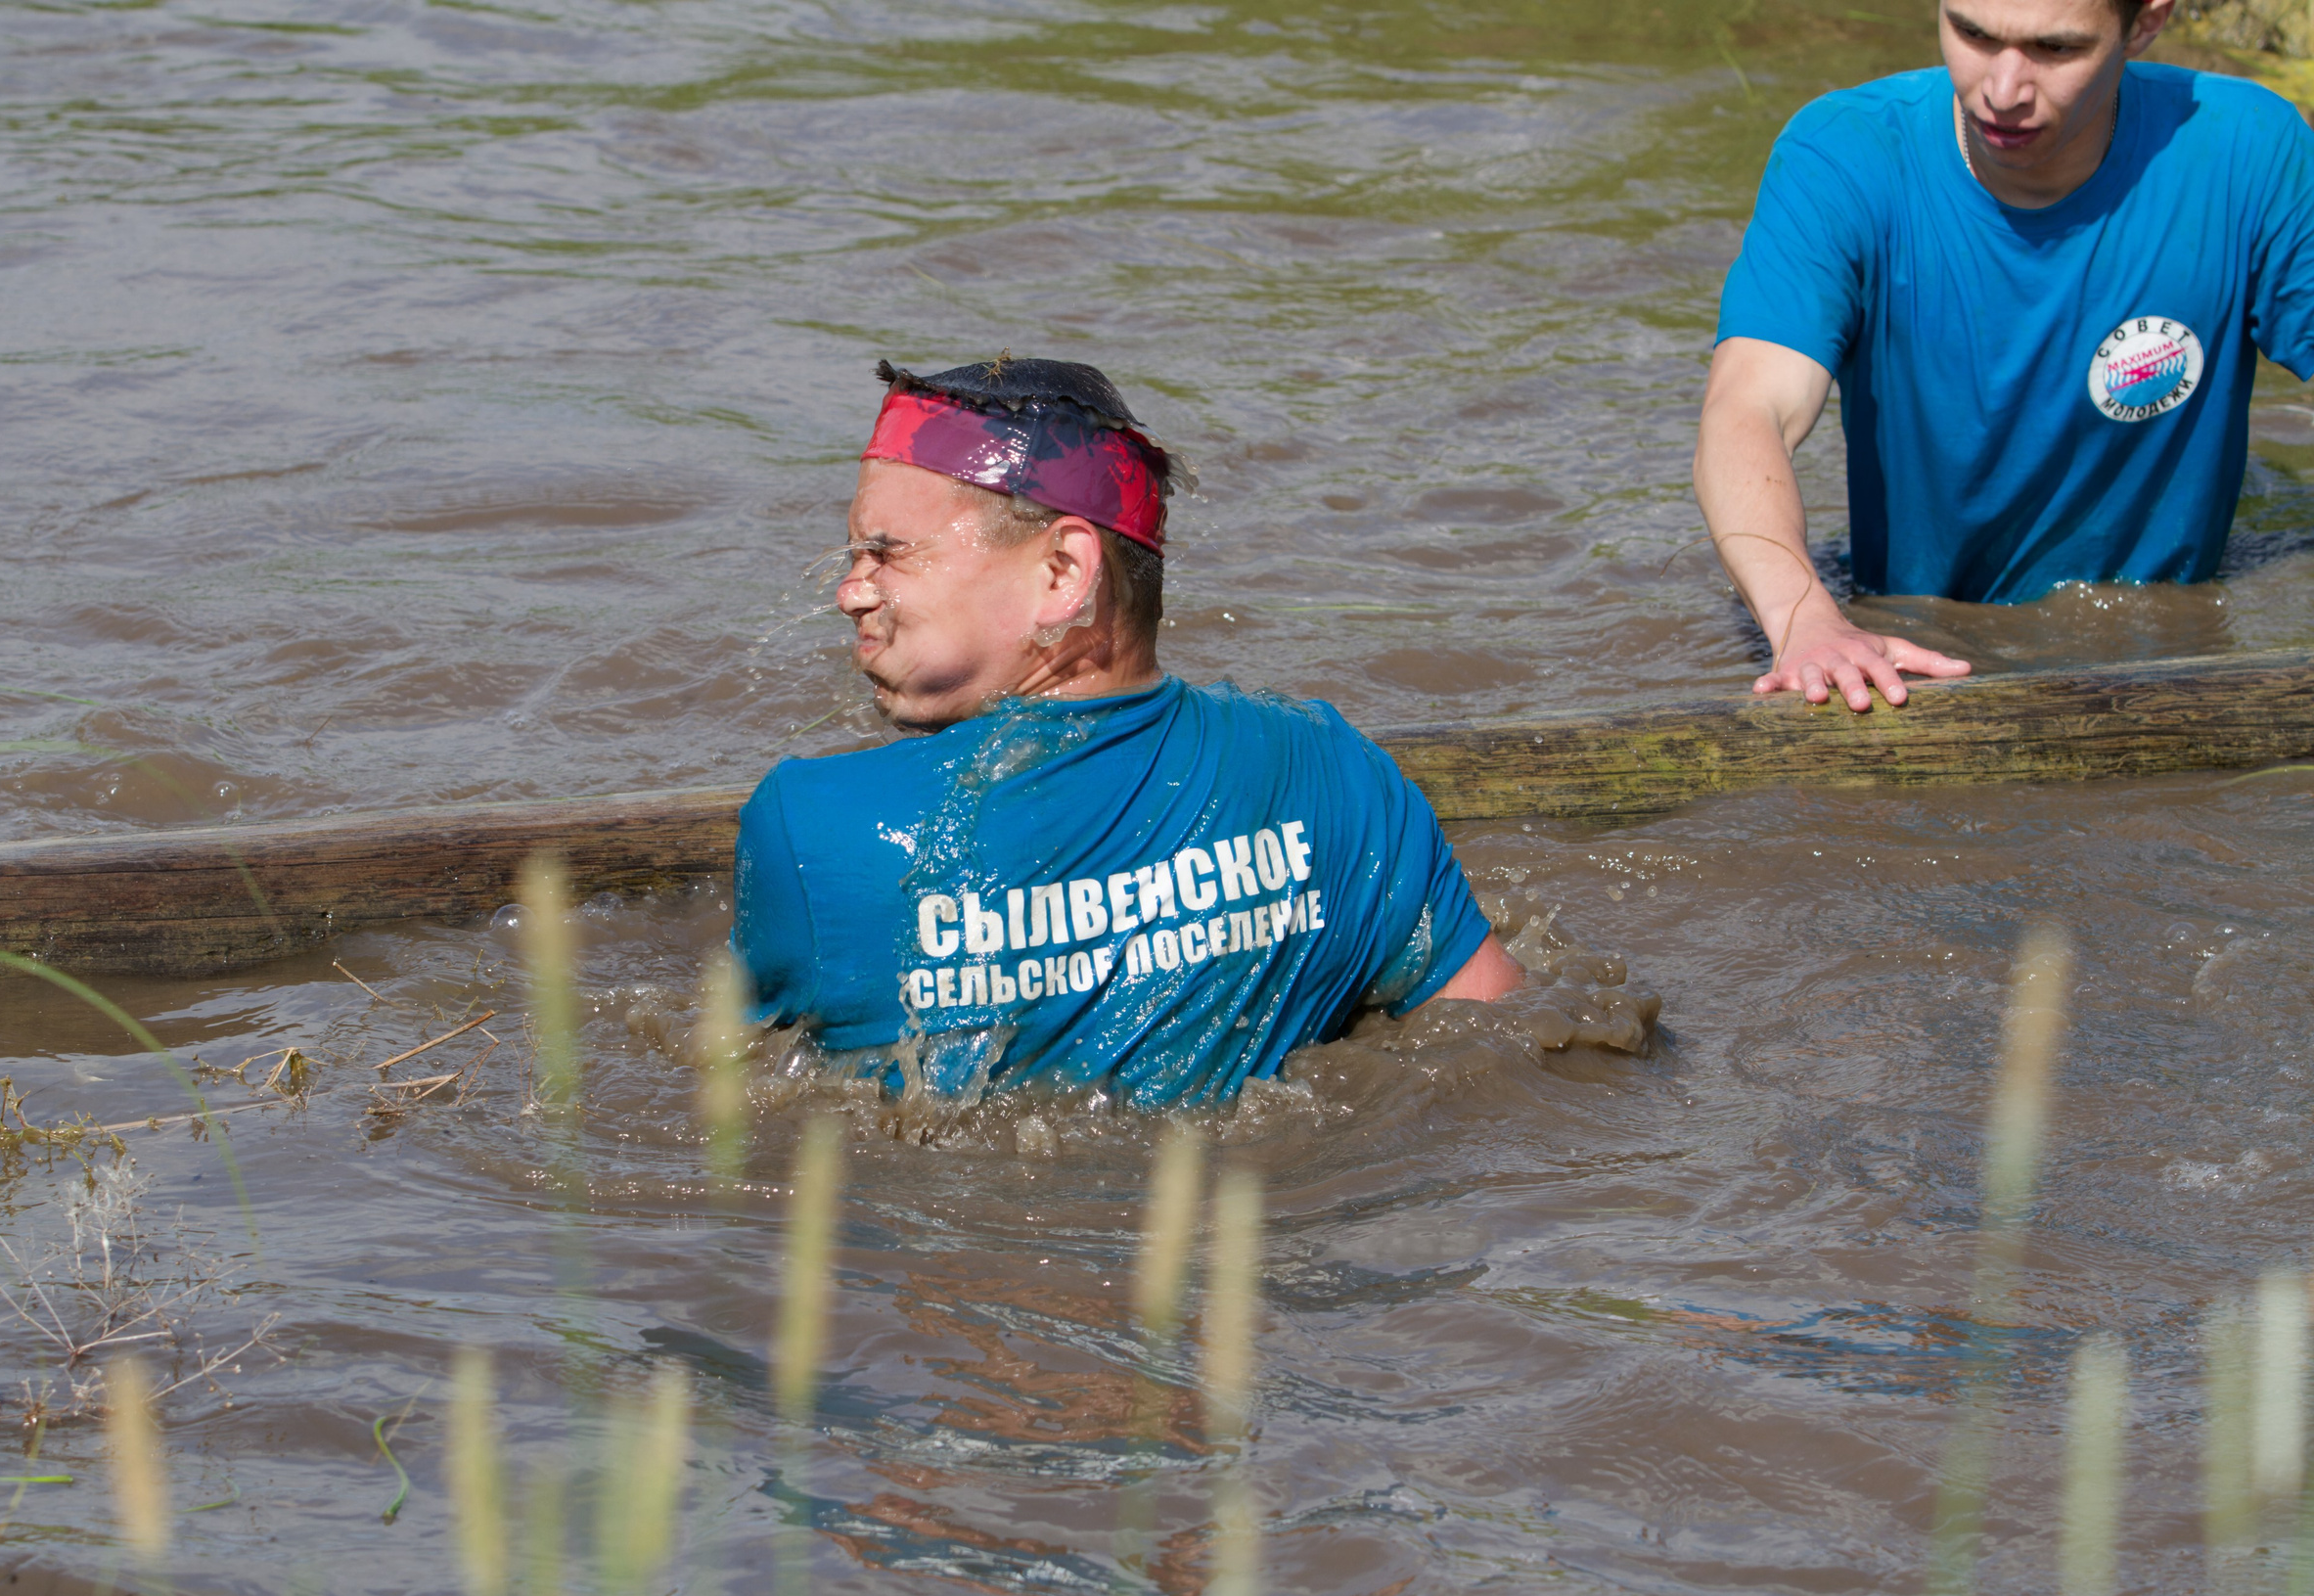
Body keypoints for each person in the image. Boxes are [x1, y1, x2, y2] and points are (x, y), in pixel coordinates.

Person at [731, 356, 1525, 1108]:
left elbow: (725, 1096)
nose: (849, 591)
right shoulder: (1336, 774)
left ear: (1062, 574)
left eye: (887, 552)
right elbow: (1506, 1035)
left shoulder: (813, 828)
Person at [1696, 0, 2314, 711]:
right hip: (1917, 647)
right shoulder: (1842, 155)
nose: (2003, 90)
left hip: (2166, 654)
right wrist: (1804, 616)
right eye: (1973, 34)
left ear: (2146, 22)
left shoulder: (2249, 153)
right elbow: (1747, 408)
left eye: (2055, 49)